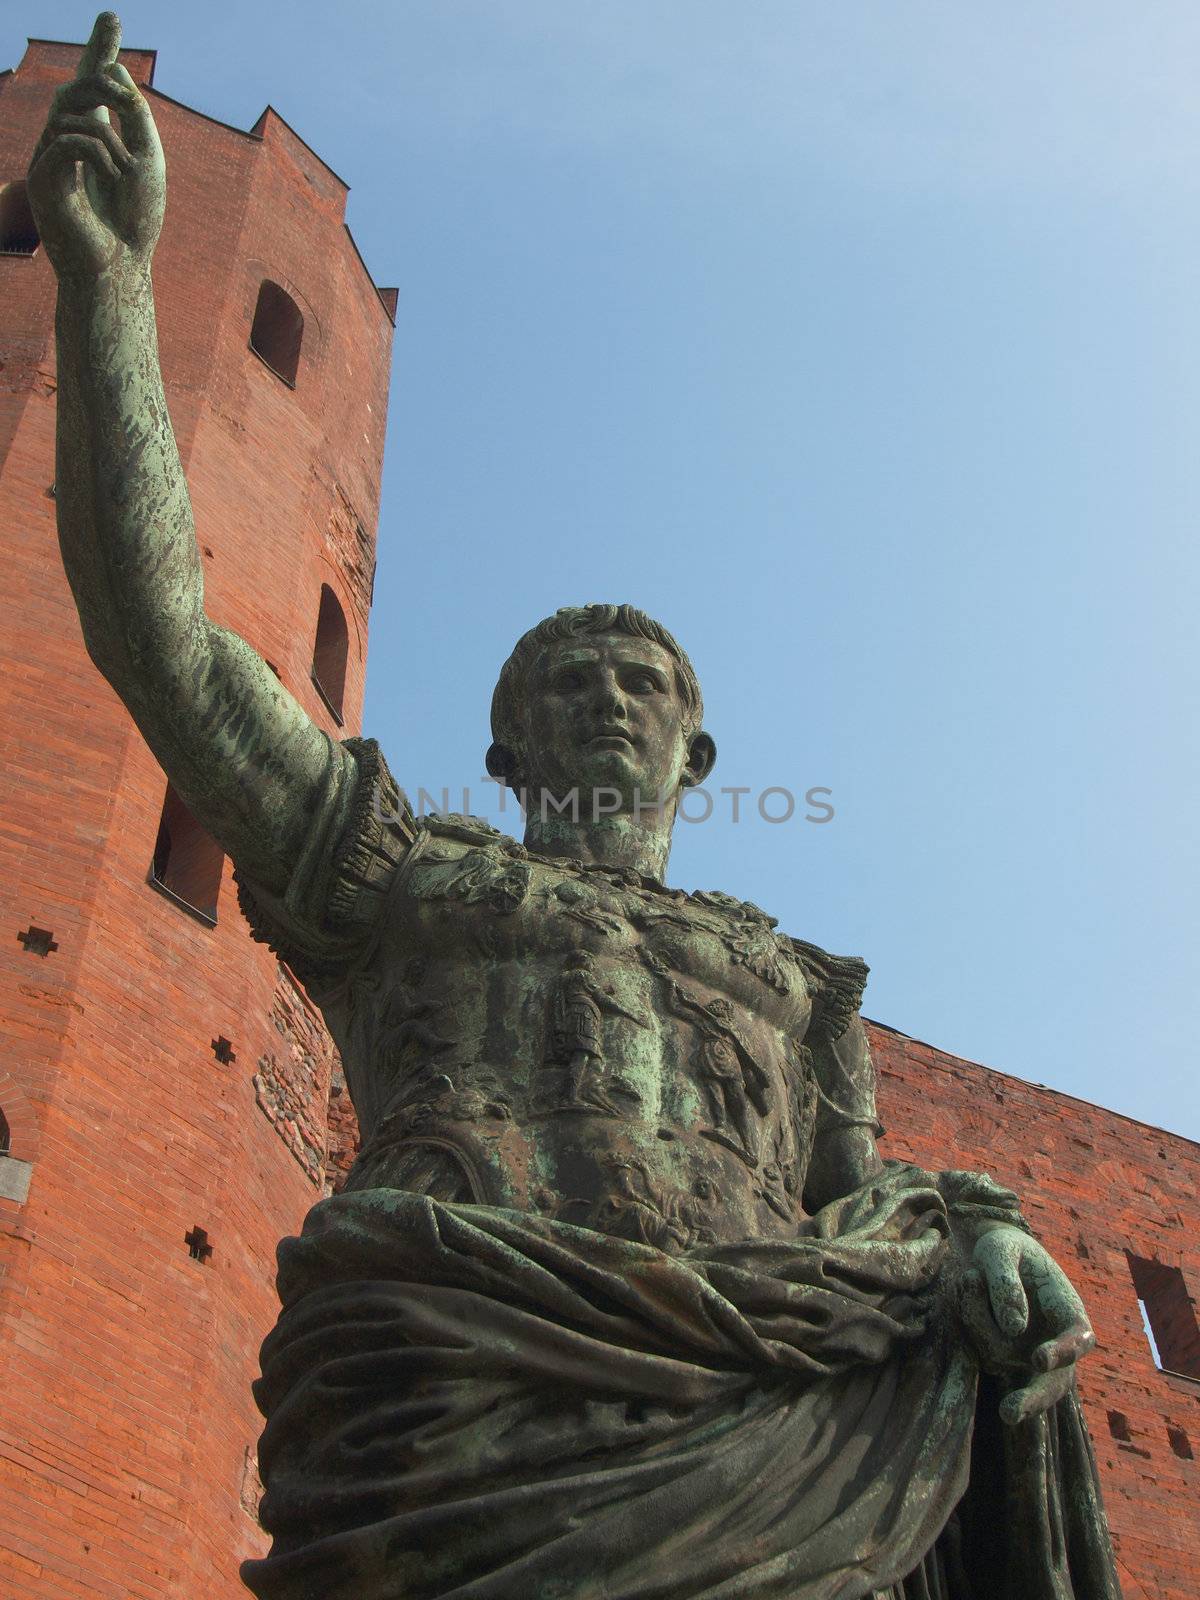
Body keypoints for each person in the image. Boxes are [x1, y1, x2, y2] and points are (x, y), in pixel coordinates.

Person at [30, 17, 1122, 1599]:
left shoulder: (799, 984)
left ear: (696, 752)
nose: (607, 693)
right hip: (447, 1402)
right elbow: (162, 645)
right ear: (506, 747)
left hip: (772, 1447)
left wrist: (983, 1245)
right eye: (566, 679)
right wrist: (113, 288)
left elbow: (863, 1218)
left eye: (641, 679)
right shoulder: (403, 874)